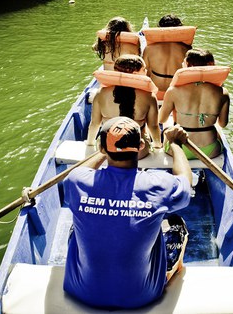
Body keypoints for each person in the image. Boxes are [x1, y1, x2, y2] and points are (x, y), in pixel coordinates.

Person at [62, 117, 192, 309]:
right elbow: (185, 182)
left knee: (77, 222)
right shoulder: (159, 184)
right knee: (176, 223)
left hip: (81, 291)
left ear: (102, 147)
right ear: (140, 146)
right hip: (143, 296)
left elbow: (81, 170)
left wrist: (104, 151)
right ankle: (171, 271)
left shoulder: (76, 181)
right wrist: (175, 145)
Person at [87, 54, 162, 159]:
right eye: (144, 69)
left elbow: (94, 124)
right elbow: (153, 127)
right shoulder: (149, 96)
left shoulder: (101, 93)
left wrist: (89, 145)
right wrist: (158, 146)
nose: (146, 72)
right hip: (137, 151)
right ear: (136, 73)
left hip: (108, 149)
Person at [159, 48, 230, 159]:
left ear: (188, 65)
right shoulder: (223, 92)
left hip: (180, 149)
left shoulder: (173, 91)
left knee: (167, 125)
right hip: (210, 150)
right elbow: (222, 124)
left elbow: (161, 120)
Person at [142, 14, 194, 100]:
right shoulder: (187, 49)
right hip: (176, 92)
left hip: (156, 92)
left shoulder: (149, 49)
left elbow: (144, 74)